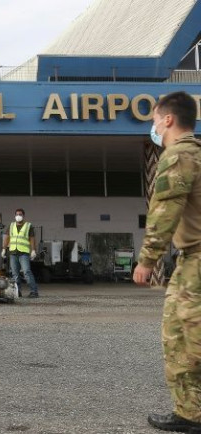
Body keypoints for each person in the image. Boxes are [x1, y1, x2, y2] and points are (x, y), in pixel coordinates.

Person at [133, 91, 201, 433]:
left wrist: (147, 261)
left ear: (168, 120)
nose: (154, 126)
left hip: (196, 264)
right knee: (186, 336)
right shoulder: (198, 154)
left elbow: (164, 212)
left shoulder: (178, 156)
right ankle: (190, 412)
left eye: (155, 120)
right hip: (192, 262)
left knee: (183, 337)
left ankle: (191, 413)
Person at [1, 209, 39, 298]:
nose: (18, 216)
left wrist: (33, 250)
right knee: (15, 274)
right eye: (17, 214)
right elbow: (7, 237)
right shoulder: (11, 225)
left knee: (27, 272)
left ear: (23, 216)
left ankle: (34, 292)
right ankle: (18, 292)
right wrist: (3, 249)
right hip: (13, 252)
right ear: (14, 216)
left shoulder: (28, 226)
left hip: (24, 253)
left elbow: (32, 238)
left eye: (20, 214)